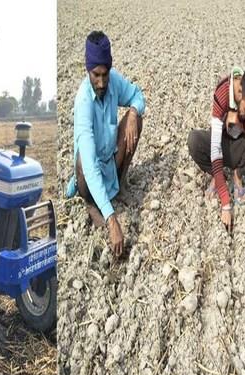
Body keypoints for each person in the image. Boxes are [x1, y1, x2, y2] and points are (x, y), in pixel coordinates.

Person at [66, 31, 145, 257]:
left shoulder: (113, 82)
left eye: (105, 74)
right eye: (96, 75)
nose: (101, 82)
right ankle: (92, 204)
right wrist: (112, 220)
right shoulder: (83, 102)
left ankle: (120, 184)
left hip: (110, 161)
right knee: (82, 159)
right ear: (88, 70)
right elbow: (90, 166)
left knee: (136, 120)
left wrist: (132, 111)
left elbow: (138, 96)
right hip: (89, 173)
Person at [188, 65, 245, 232]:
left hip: (238, 144)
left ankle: (237, 175)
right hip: (221, 142)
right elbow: (215, 148)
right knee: (194, 140)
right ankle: (216, 176)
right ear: (240, 92)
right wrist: (225, 204)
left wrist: (243, 122)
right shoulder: (222, 93)